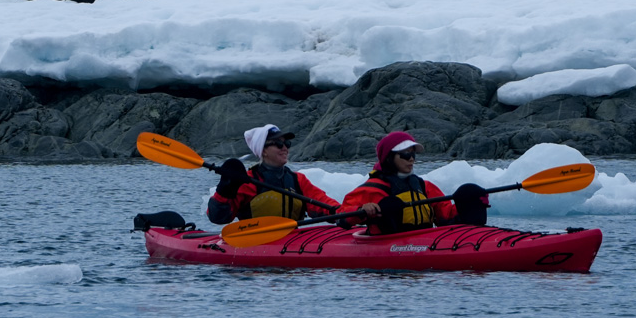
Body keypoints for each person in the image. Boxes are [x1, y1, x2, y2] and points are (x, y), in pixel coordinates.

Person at [337, 131, 490, 235]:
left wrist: (471, 203)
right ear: (389, 158)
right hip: (387, 245)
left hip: (425, 240)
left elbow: (446, 215)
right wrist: (362, 209)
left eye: (413, 154)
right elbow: (342, 216)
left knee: (469, 191)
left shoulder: (424, 186)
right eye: (405, 154)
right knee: (391, 203)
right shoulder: (372, 189)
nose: (411, 159)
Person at [206, 124, 338, 224]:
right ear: (263, 151)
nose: (285, 147)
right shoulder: (247, 181)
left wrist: (341, 211)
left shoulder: (298, 180)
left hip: (292, 241)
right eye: (279, 144)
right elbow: (217, 217)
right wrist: (225, 189)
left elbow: (322, 202)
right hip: (254, 242)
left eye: (287, 143)